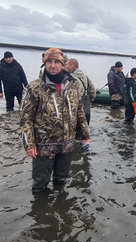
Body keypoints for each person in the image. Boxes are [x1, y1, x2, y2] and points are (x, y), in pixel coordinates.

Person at [20, 47, 91, 194]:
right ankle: (41, 212)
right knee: (40, 184)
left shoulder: (72, 86)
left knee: (61, 180)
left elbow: (80, 112)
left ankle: (60, 205)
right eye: (49, 62)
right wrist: (29, 144)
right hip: (44, 145)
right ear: (44, 64)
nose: (53, 65)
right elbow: (26, 118)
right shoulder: (34, 87)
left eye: (56, 62)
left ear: (63, 64)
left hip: (67, 143)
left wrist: (86, 136)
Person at [66, 58, 96, 124]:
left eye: (66, 65)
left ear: (72, 66)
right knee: (85, 129)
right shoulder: (85, 77)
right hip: (86, 108)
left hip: (77, 110)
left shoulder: (71, 79)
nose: (65, 67)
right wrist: (91, 100)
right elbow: (93, 91)